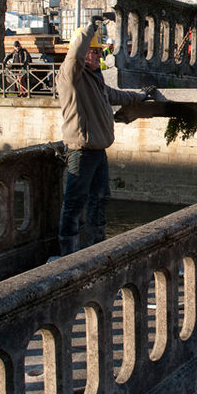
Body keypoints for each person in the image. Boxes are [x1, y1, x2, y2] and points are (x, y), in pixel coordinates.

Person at [53, 16, 153, 258]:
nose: (100, 56)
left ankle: (96, 246)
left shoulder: (95, 80)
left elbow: (115, 95)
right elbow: (74, 53)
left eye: (100, 52)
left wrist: (140, 96)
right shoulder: (71, 75)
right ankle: (67, 252)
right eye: (96, 52)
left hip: (97, 151)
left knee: (100, 198)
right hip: (81, 150)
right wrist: (91, 26)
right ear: (85, 53)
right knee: (74, 202)